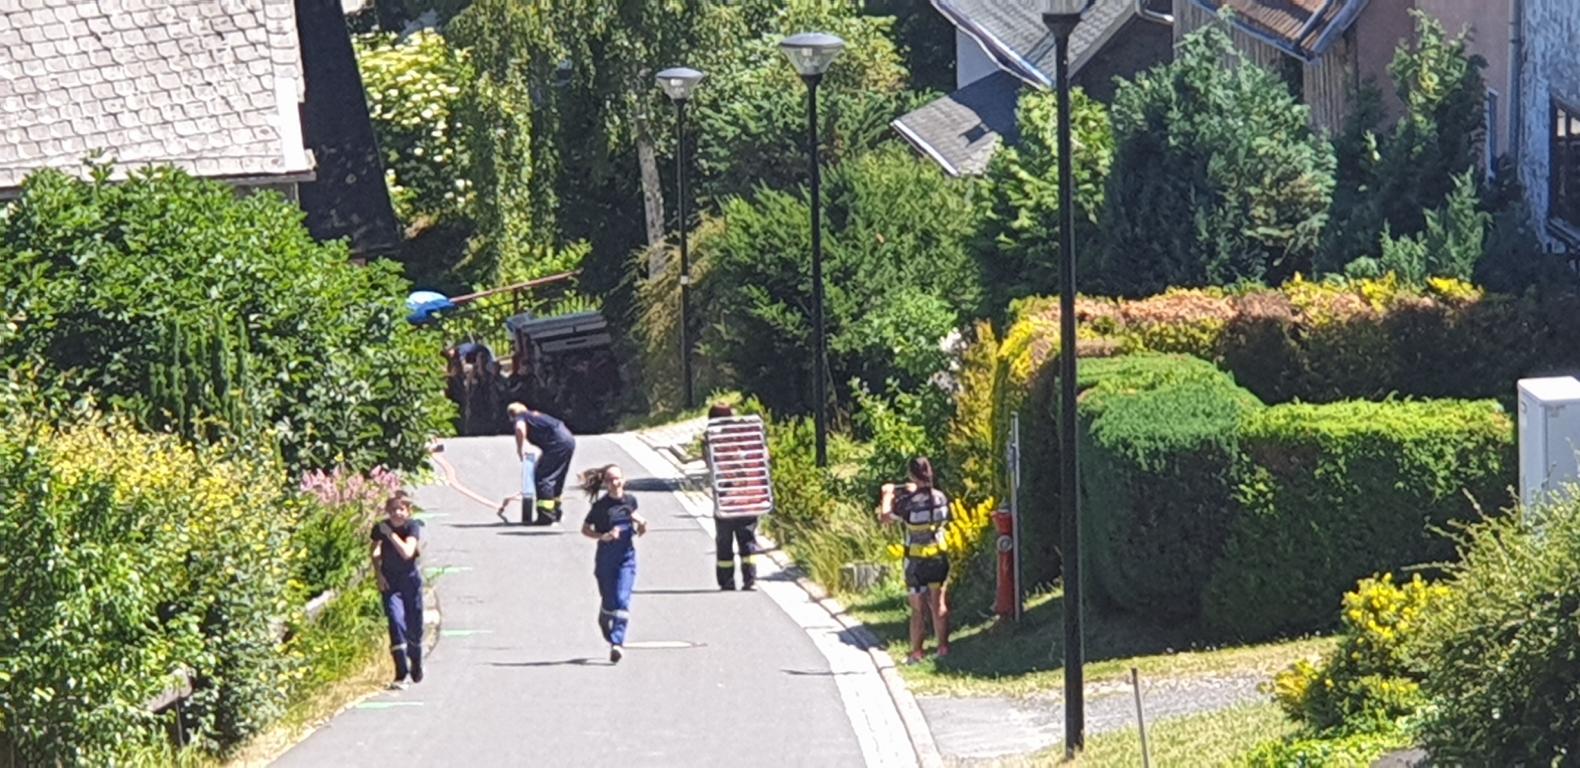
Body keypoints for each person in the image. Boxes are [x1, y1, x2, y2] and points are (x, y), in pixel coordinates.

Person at [878, 456, 952, 664]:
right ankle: (943, 647)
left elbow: (885, 517)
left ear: (911, 475)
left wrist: (887, 494)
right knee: (939, 603)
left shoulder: (907, 503)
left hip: (915, 562)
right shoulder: (941, 497)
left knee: (918, 609)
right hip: (938, 557)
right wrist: (916, 490)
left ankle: (917, 652)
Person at [579, 464, 648, 663]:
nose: (615, 483)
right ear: (605, 484)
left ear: (623, 480)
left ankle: (617, 642)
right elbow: (585, 529)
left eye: (618, 478)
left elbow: (636, 524)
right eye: (610, 480)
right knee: (610, 601)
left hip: (626, 558)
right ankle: (604, 616)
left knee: (622, 599)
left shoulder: (630, 501)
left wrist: (642, 525)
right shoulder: (600, 507)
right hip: (606, 559)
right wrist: (603, 536)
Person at [703, 403, 763, 591]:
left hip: (729, 499)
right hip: (743, 497)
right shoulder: (741, 437)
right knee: (745, 539)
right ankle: (748, 579)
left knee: (727, 541)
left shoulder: (712, 441)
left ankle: (729, 580)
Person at [372, 493, 425, 688]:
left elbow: (407, 552)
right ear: (387, 511)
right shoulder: (380, 527)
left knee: (414, 626)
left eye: (401, 509)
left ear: (408, 511)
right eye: (393, 509)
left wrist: (391, 535)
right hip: (391, 582)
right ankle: (401, 673)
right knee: (395, 621)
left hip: (410, 582)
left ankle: (416, 660)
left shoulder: (412, 527)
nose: (396, 513)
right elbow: (375, 550)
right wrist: (378, 573)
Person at [507, 401, 576, 524]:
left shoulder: (521, 416)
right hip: (568, 440)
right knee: (557, 477)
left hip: (557, 444)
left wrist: (520, 449)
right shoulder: (534, 415)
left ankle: (546, 516)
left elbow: (519, 428)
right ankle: (556, 512)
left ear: (511, 414)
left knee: (543, 478)